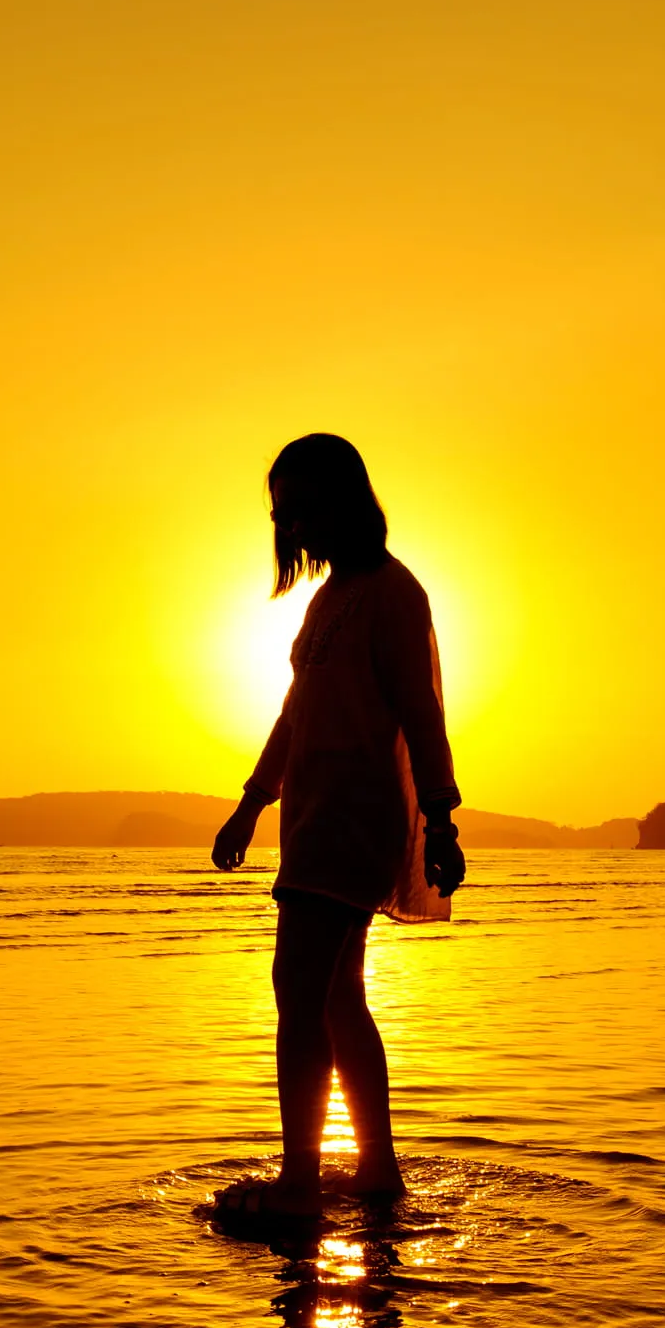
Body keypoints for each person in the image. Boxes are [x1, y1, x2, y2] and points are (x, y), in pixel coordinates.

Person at [211, 434, 465, 1217]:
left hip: (355, 816)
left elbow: (420, 711)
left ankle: (298, 1182)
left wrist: (441, 816)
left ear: (341, 498)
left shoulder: (392, 592)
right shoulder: (326, 599)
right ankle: (376, 1169)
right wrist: (253, 801)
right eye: (281, 512)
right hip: (309, 815)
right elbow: (295, 712)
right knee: (336, 996)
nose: (290, 524)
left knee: (297, 987)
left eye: (300, 505)